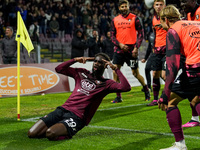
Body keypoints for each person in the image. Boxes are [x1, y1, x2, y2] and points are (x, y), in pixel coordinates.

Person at [28, 53, 131, 140]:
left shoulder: (106, 83)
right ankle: (60, 126)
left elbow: (126, 87)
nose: (96, 63)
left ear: (105, 66)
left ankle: (67, 133)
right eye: (95, 61)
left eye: (100, 62)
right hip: (62, 110)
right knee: (31, 133)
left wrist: (116, 69)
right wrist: (74, 60)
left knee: (50, 133)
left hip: (77, 117)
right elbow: (59, 69)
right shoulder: (81, 72)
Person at [158, 5, 200, 150]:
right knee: (196, 98)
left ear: (166, 19)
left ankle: (180, 145)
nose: (161, 26)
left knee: (170, 101)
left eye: (161, 22)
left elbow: (172, 66)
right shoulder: (197, 23)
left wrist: (165, 93)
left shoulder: (173, 30)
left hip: (196, 69)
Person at [110, 0, 150, 103]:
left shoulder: (135, 18)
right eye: (122, 7)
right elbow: (112, 35)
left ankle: (146, 90)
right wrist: (120, 45)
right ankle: (118, 96)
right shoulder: (115, 20)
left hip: (131, 50)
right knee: (115, 72)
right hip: (119, 50)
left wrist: (136, 47)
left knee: (135, 73)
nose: (124, 8)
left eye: (125, 6)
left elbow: (141, 34)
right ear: (119, 8)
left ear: (128, 6)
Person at [181, 0, 200, 127]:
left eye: (184, 1)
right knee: (190, 89)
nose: (182, 5)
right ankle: (195, 118)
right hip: (190, 56)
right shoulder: (189, 14)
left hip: (197, 57)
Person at [147, 0, 167, 106]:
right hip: (157, 49)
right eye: (157, 5)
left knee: (164, 76)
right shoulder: (154, 19)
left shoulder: (168, 17)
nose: (159, 7)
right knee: (155, 74)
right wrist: (154, 46)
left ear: (164, 5)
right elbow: (155, 33)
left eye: (161, 5)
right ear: (154, 6)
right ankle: (155, 99)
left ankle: (165, 96)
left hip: (168, 49)